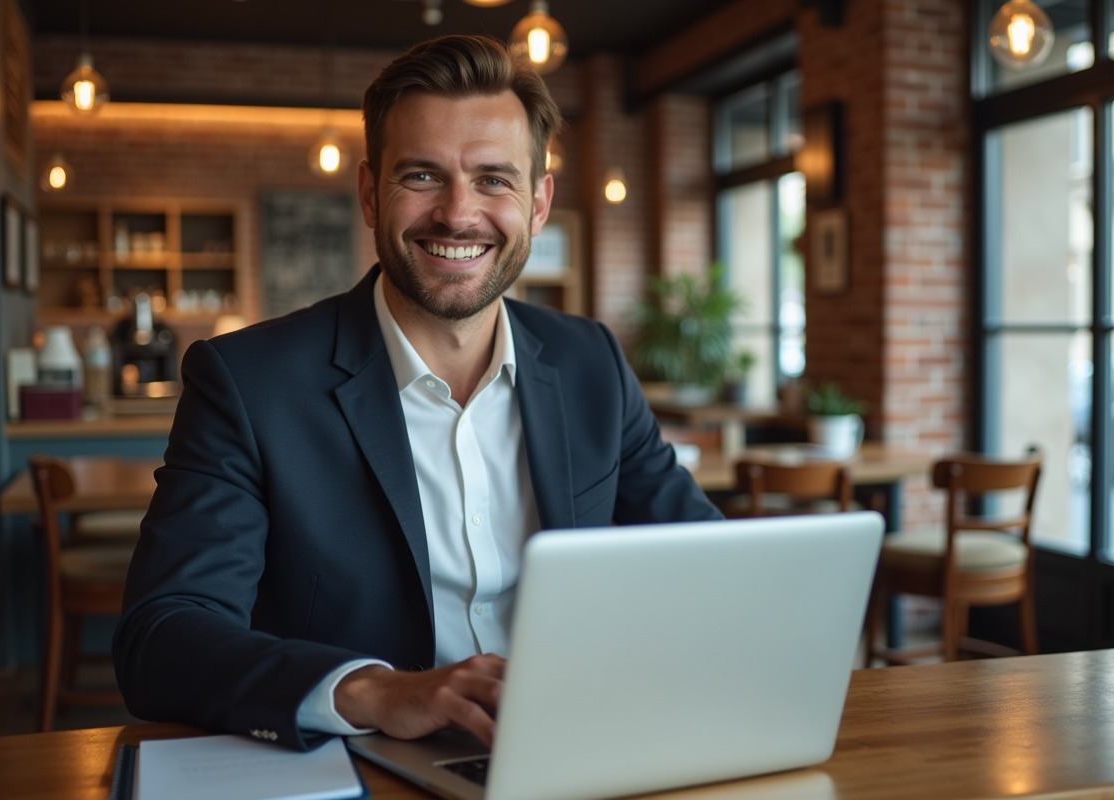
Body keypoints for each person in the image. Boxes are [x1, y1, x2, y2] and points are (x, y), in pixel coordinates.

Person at [112, 34, 723, 752]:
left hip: (574, 747)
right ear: (372, 194)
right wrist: (373, 689)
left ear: (539, 203)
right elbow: (163, 636)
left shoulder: (590, 361)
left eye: (495, 178)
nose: (458, 214)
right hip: (369, 764)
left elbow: (706, 563)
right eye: (423, 177)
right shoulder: (247, 383)